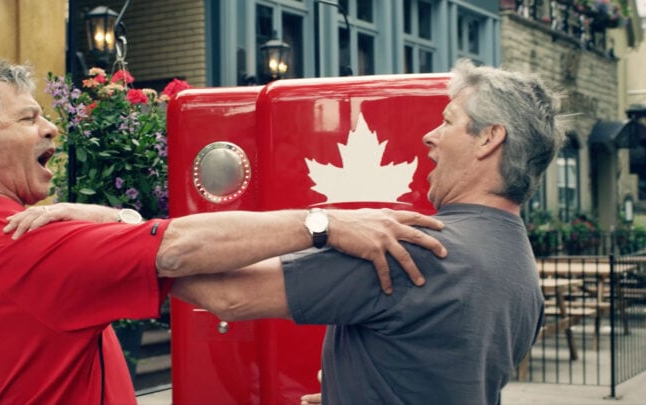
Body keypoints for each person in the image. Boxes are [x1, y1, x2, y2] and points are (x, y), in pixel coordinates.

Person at [0, 59, 447, 405]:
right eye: (29, 118)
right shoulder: (28, 242)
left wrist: (115, 219)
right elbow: (181, 247)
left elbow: (198, 275)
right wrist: (329, 222)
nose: (51, 127)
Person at [170, 59, 564, 404]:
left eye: (447, 122)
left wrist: (125, 240)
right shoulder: (521, 267)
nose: (430, 136)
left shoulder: (415, 248)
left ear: (489, 139)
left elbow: (228, 295)